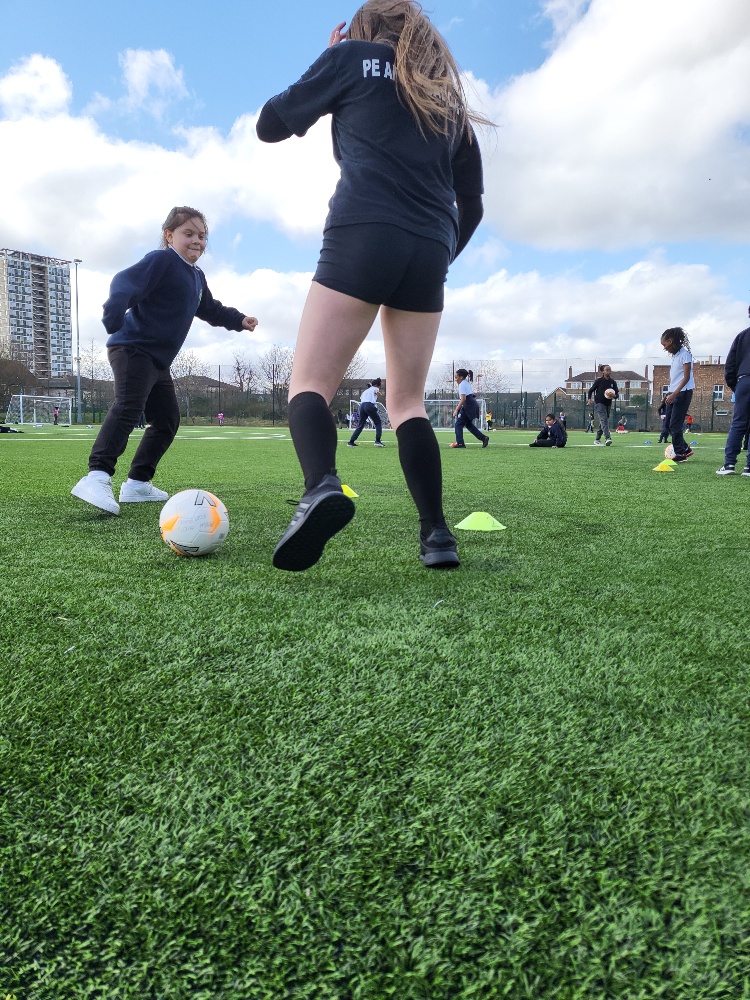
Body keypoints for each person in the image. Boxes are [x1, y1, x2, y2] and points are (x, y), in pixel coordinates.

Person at [256, 1, 488, 571]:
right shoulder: (447, 100)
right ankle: (437, 535)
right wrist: (439, 255)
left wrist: (330, 58)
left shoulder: (351, 59)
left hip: (363, 230)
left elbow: (269, 125)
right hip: (430, 245)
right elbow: (474, 206)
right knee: (407, 403)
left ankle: (321, 486)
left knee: (310, 383)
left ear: (365, 29)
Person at [71, 207, 258, 515]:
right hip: (133, 348)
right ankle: (97, 476)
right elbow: (125, 282)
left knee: (167, 420)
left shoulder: (197, 277)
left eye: (202, 236)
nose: (197, 241)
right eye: (188, 233)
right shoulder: (161, 261)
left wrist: (239, 319)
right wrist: (114, 311)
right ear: (169, 236)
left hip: (158, 361)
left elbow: (210, 309)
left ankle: (137, 483)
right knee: (128, 407)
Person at [716, 315, 750, 475]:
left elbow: (730, 365)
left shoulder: (742, 336)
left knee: (739, 423)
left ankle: (729, 464)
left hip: (744, 380)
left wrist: (736, 386)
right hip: (743, 380)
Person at [661, 326, 695, 462]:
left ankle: (680, 454)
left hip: (683, 393)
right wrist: (669, 393)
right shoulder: (675, 356)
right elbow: (676, 377)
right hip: (674, 393)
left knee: (675, 425)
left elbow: (686, 378)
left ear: (671, 341)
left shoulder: (685, 355)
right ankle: (685, 448)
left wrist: (674, 394)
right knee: (668, 425)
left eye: (665, 345)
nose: (665, 348)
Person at [450, 369, 489, 449]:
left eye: (456, 377)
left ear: (461, 377)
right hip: (471, 404)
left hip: (468, 405)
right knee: (468, 424)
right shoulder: (465, 383)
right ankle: (483, 438)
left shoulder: (462, 384)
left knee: (458, 424)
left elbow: (463, 399)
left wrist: (456, 410)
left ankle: (460, 443)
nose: (455, 379)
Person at [587, 363, 618, 446]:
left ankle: (597, 439)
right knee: (604, 420)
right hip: (599, 403)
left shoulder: (613, 382)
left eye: (609, 370)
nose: (608, 371)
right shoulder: (599, 381)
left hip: (608, 403)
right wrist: (589, 399)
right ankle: (608, 438)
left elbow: (617, 395)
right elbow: (590, 390)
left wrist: (613, 395)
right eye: (607, 370)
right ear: (603, 372)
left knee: (604, 421)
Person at [348, 378, 385, 446]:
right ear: (378, 385)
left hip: (362, 406)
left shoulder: (366, 391)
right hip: (369, 405)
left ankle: (351, 441)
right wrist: (379, 394)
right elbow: (377, 393)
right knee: (378, 422)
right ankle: (378, 441)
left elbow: (362, 398)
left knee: (360, 425)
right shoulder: (375, 388)